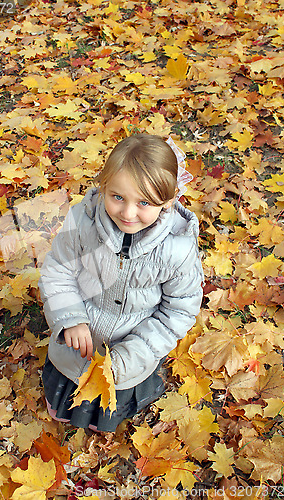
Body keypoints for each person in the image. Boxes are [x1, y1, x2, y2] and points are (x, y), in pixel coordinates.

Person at [39, 133, 204, 432]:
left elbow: (178, 311)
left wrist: (134, 353)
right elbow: (57, 272)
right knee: (70, 378)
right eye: (117, 197)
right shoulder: (82, 221)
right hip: (80, 341)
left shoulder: (177, 250)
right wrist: (70, 318)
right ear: (103, 187)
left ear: (167, 201)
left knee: (114, 389)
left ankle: (109, 409)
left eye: (144, 202)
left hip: (131, 345)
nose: (128, 213)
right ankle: (65, 404)